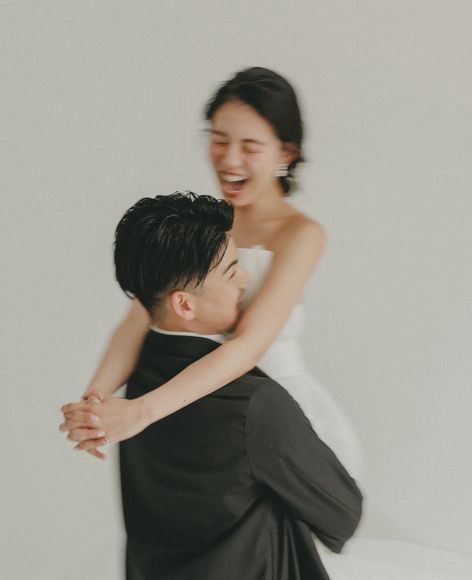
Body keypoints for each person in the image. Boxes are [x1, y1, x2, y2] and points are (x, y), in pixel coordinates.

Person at [60, 68, 472, 580]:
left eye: (250, 146)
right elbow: (139, 315)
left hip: (278, 416)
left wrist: (141, 411)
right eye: (219, 139)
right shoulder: (197, 229)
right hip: (206, 412)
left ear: (285, 153)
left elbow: (247, 347)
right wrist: (95, 403)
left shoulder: (299, 233)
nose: (229, 159)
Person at [109, 191, 363, 579]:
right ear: (185, 305)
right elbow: (343, 513)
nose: (245, 278)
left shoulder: (136, 383)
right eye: (231, 271)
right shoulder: (256, 403)